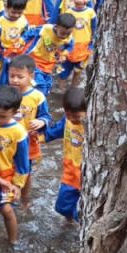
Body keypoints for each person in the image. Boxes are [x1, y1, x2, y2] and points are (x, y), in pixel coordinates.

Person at [0, 86, 31, 247]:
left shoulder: (19, 132)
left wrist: (18, 185)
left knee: (6, 210)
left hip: (6, 178)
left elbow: (23, 163)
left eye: (3, 116)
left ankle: (13, 242)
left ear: (15, 112)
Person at [6, 55, 51, 211]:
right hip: (8, 141)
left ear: (31, 76)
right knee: (5, 168)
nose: (15, 80)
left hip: (28, 142)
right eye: (12, 76)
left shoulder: (37, 97)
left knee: (25, 172)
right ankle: (7, 197)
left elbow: (46, 116)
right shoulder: (5, 92)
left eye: (20, 77)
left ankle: (25, 200)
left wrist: (41, 122)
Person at [43, 87, 86, 222]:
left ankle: (78, 226)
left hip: (85, 173)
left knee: (82, 210)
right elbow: (55, 131)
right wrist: (39, 138)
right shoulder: (67, 120)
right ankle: (68, 222)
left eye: (77, 117)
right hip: (70, 171)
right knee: (62, 206)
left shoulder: (90, 126)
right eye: (68, 114)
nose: (72, 119)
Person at [25, 13, 75, 95]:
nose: (65, 36)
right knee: (41, 86)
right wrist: (22, 41)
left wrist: (63, 54)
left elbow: (70, 46)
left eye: (68, 33)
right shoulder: (46, 29)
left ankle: (34, 97)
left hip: (49, 64)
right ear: (56, 26)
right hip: (35, 60)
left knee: (47, 87)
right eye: (62, 33)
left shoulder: (69, 37)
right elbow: (30, 33)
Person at [59, 0, 99, 86]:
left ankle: (73, 89)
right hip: (70, 46)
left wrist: (92, 45)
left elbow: (95, 29)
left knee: (78, 71)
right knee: (63, 72)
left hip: (84, 48)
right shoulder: (68, 12)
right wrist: (61, 46)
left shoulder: (91, 13)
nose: (81, 1)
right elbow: (63, 29)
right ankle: (61, 89)